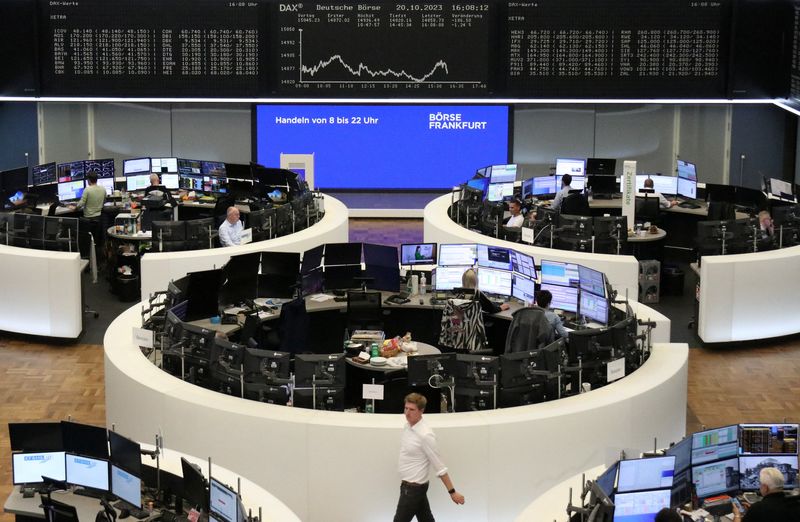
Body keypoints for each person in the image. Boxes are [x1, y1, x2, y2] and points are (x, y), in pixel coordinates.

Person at [394, 393, 465, 522]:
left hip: (412, 490)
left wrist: (452, 492)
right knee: (426, 519)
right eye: (406, 408)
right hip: (410, 487)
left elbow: (440, 466)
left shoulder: (425, 435)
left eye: (412, 410)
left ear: (421, 411)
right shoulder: (407, 427)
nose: (407, 413)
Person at [733, 467, 800, 522]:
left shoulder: (758, 509)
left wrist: (737, 515)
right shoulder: (795, 503)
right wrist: (752, 510)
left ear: (765, 488)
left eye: (760, 484)